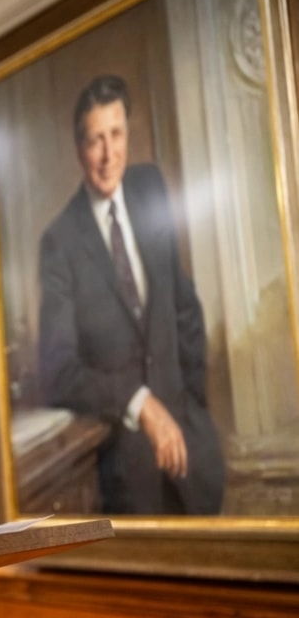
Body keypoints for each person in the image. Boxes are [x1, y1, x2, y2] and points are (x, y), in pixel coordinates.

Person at [37, 74, 225, 515]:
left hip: (193, 449)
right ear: (78, 150)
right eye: (95, 141)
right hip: (127, 475)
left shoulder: (149, 186)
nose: (108, 155)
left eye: (116, 135)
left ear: (128, 133)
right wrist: (141, 404)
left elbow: (183, 305)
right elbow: (59, 372)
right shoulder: (59, 241)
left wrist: (190, 403)